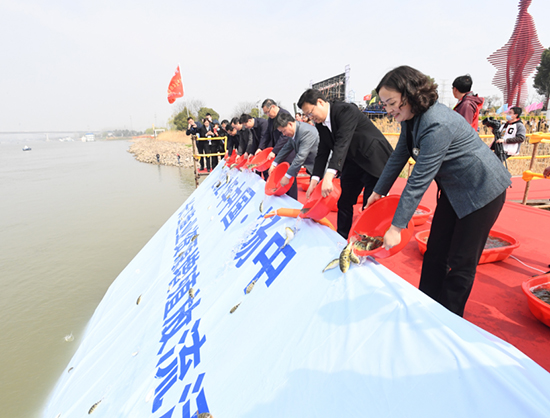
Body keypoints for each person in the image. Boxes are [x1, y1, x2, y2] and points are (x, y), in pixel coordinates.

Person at [365, 65, 512, 317]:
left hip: (482, 190)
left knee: (461, 261)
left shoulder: (437, 123)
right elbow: (400, 153)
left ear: (409, 95)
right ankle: (426, 305)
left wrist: (396, 226)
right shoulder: (411, 119)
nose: (388, 110)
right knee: (435, 252)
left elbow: (420, 178)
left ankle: (448, 320)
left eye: (391, 102)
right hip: (455, 191)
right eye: (384, 103)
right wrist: (379, 191)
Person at [298, 89, 393, 239]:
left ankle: (366, 245)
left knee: (370, 206)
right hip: (352, 162)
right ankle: (341, 238)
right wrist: (314, 179)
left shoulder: (345, 110)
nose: (310, 118)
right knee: (344, 202)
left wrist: (329, 176)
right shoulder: (321, 124)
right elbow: (323, 151)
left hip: (373, 159)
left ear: (320, 102)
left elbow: (342, 143)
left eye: (310, 113)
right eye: (307, 116)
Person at [268, 112, 320, 199]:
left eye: (284, 131)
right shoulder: (294, 131)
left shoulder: (305, 131)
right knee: (313, 196)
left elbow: (300, 157)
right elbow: (286, 147)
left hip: (320, 166)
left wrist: (287, 175)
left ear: (290, 124)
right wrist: (274, 163)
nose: (284, 134)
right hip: (313, 167)